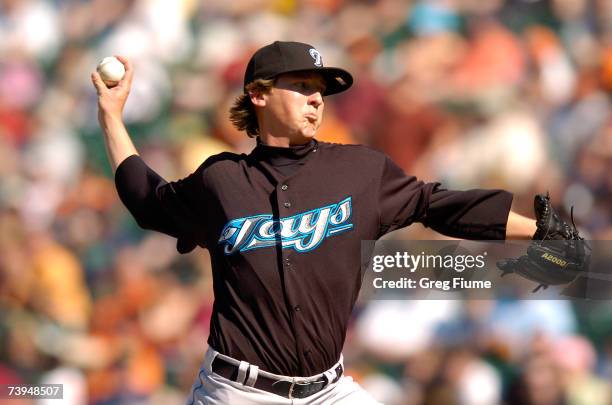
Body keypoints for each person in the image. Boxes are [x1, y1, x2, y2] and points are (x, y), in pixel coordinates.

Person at [91, 41, 538, 404]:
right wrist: (111, 116)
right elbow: (148, 201)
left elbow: (440, 205)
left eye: (320, 89)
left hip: (330, 391)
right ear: (259, 94)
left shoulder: (359, 172)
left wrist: (537, 231)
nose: (317, 97)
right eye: (302, 85)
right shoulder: (221, 181)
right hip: (238, 393)